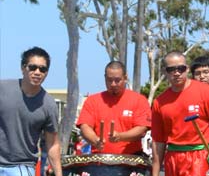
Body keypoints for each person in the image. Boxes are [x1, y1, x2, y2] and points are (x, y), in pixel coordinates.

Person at [150, 51, 209, 176]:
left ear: (187, 69)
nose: (177, 73)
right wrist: (155, 173)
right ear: (165, 72)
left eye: (180, 68)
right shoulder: (159, 102)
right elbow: (158, 141)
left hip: (201, 157)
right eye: (172, 69)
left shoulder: (206, 92)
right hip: (173, 159)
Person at [0, 47, 63, 176]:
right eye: (32, 67)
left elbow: (52, 144)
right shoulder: (2, 89)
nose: (37, 72)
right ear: (23, 68)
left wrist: (58, 174)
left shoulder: (49, 105)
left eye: (42, 69)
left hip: (21, 166)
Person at [76, 61, 151, 156]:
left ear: (125, 78)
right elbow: (85, 126)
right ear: (105, 78)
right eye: (109, 80)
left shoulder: (139, 100)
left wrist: (120, 136)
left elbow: (142, 129)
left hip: (131, 160)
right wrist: (95, 140)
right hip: (100, 159)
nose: (113, 84)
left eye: (117, 80)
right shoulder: (92, 101)